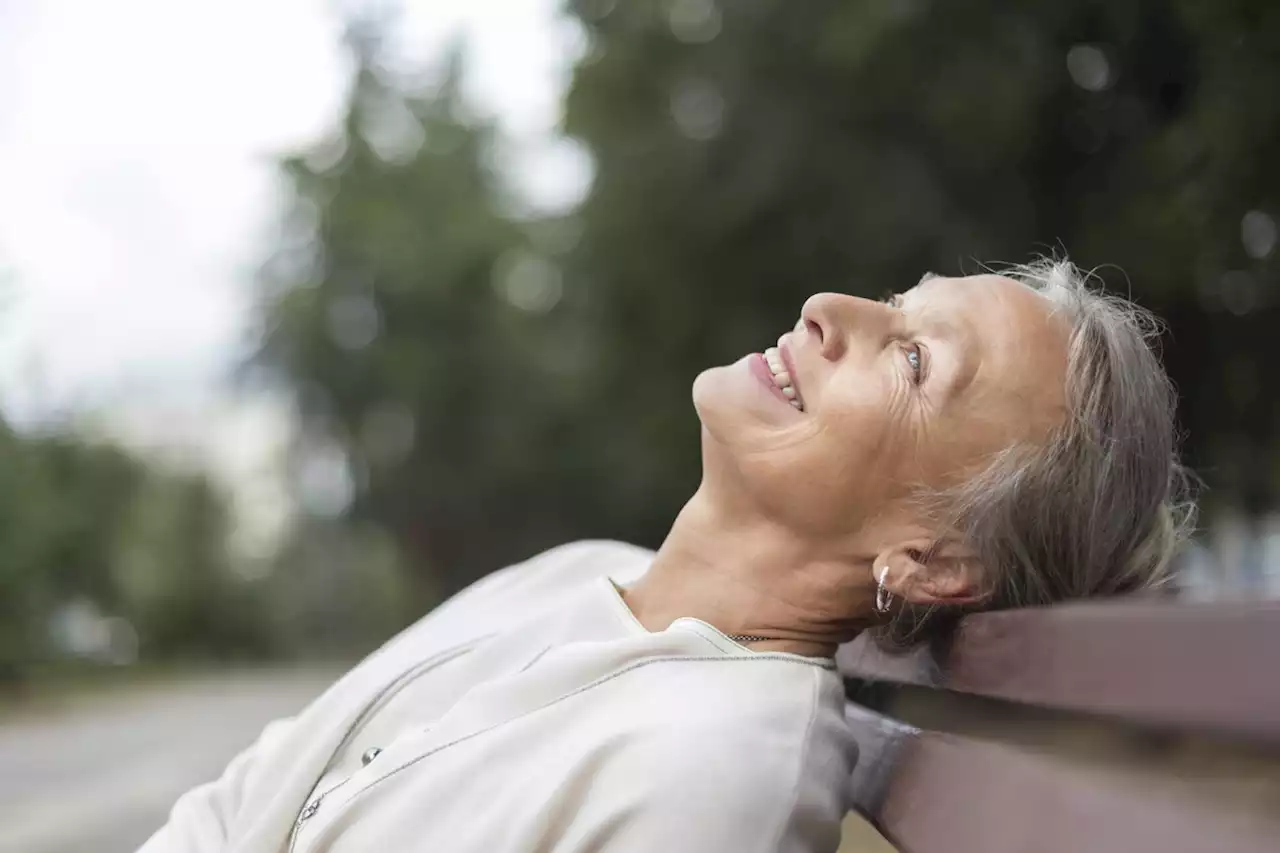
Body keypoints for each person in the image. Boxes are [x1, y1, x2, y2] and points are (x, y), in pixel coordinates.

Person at [140, 259, 1193, 853]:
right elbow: (235, 799)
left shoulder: (716, 786)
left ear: (932, 557)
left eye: (913, 359)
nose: (829, 310)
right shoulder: (574, 568)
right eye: (893, 301)